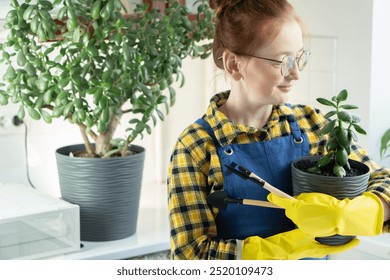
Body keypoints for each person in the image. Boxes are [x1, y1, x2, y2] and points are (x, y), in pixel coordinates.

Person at [167, 0, 390, 260]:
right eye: (283, 61)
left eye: (299, 58)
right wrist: (279, 249)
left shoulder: (313, 125)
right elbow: (189, 256)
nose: (295, 73)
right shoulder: (195, 147)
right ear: (233, 64)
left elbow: (383, 180)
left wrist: (363, 211)